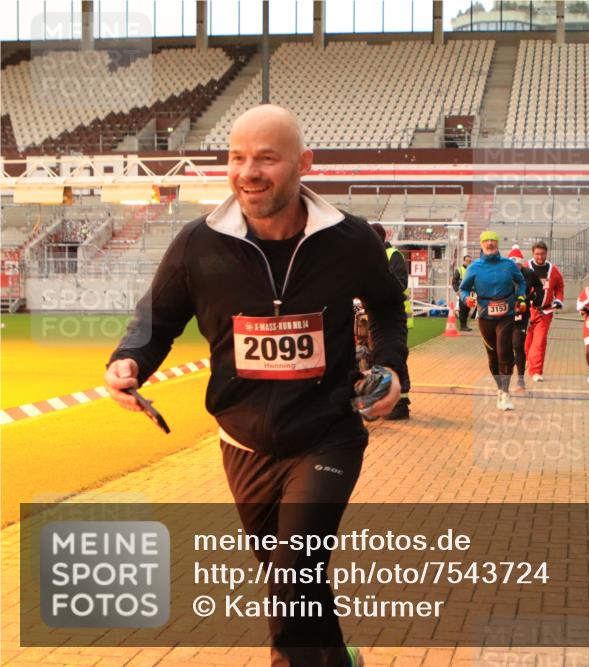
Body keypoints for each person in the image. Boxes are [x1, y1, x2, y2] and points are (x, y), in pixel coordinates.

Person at [103, 104, 405, 667]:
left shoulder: (351, 240)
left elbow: (388, 310)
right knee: (290, 581)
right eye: (237, 157)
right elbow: (154, 324)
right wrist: (128, 362)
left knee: (294, 568)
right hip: (242, 444)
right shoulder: (198, 245)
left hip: (326, 436)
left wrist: (392, 368)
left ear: (303, 164)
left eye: (266, 157)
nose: (248, 171)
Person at [459, 230, 526, 410]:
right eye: (486, 241)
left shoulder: (508, 265)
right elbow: (463, 289)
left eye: (493, 241)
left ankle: (505, 393)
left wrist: (521, 298)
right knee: (492, 355)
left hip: (506, 313)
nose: (490, 244)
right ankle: (500, 388)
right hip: (485, 315)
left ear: (497, 244)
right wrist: (467, 299)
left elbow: (521, 282)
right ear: (481, 245)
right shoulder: (474, 267)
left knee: (504, 351)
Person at [371, 222, 412, 421]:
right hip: (370, 313)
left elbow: (400, 284)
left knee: (392, 355)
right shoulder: (364, 257)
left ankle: (400, 403)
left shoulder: (393, 255)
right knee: (375, 355)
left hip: (391, 313)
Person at [524, 241, 565, 382]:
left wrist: (558, 300)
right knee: (526, 340)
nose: (539, 257)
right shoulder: (525, 267)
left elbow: (559, 287)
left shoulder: (553, 270)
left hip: (545, 312)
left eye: (542, 254)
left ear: (546, 253)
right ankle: (526, 359)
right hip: (527, 311)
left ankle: (536, 371)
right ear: (532, 253)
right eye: (537, 254)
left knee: (539, 341)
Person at [507, 245, 544, 391]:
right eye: (512, 265)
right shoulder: (504, 273)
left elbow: (539, 286)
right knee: (505, 347)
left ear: (521, 264)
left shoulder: (529, 273)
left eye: (517, 265)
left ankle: (520, 379)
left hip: (522, 314)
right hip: (506, 314)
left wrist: (536, 299)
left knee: (517, 345)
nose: (515, 268)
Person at [452, 254, 474, 331]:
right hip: (462, 293)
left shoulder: (472, 269)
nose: (468, 262)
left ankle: (465, 325)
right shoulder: (459, 270)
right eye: (467, 260)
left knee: (467, 309)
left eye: (470, 261)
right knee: (463, 309)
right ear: (464, 261)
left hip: (470, 292)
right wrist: (457, 290)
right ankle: (463, 326)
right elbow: (454, 282)